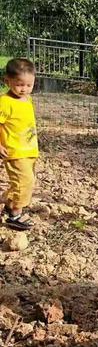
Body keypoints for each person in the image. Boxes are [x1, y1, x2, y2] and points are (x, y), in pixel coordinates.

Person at [0, 58, 38, 231]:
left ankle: (8, 202)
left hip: (30, 150)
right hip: (14, 151)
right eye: (20, 84)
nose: (25, 89)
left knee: (25, 180)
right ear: (7, 80)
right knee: (25, 181)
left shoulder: (27, 99)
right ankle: (15, 215)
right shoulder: (5, 102)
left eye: (29, 85)